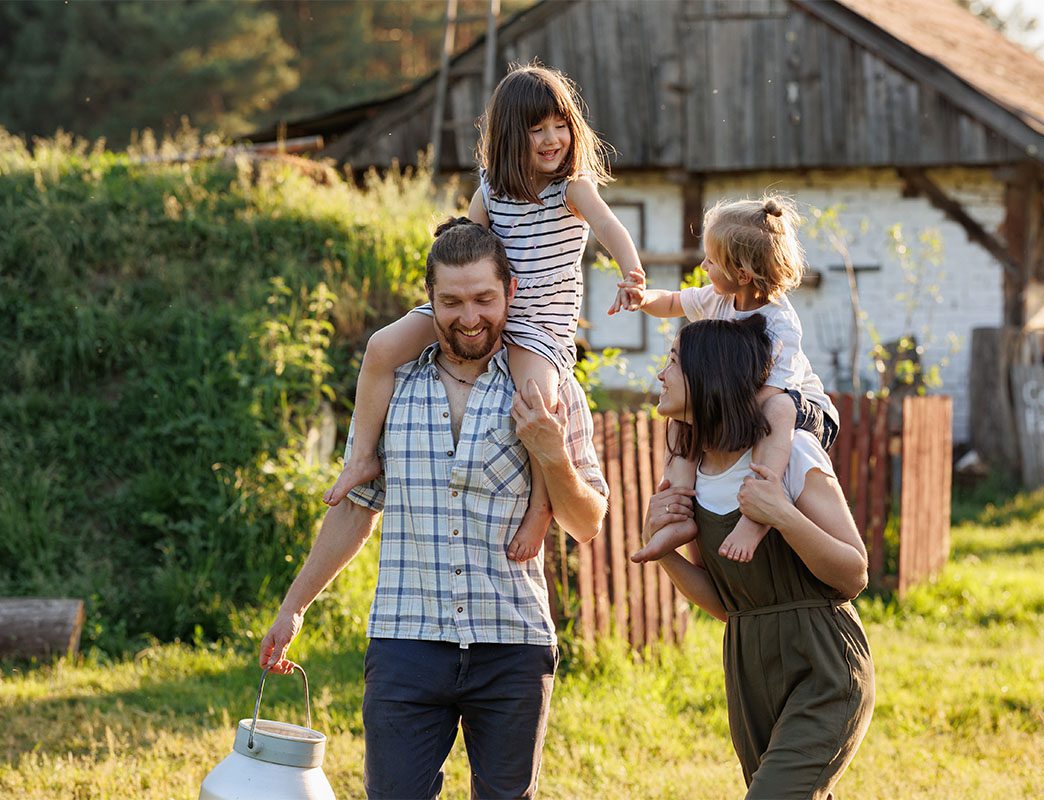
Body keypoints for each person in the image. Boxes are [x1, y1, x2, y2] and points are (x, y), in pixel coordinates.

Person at [261, 218, 609, 799]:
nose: (469, 317)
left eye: (483, 299)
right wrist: (294, 608)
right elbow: (356, 507)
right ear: (429, 300)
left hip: (512, 643)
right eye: (451, 301)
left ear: (511, 294)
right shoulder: (392, 382)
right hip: (406, 641)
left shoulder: (548, 388)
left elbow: (587, 522)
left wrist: (552, 455)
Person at [324, 63, 644, 567]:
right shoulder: (491, 189)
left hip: (537, 328)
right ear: (509, 137)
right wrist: (443, 288)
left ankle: (540, 506)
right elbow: (465, 244)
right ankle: (363, 455)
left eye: (559, 125)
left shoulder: (572, 188)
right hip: (483, 305)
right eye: (535, 129)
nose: (551, 138)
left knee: (536, 401)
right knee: (382, 347)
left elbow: (610, 226)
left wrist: (632, 274)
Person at [643, 317, 874, 800]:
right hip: (749, 669)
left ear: (709, 375)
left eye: (672, 362)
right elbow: (730, 604)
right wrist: (663, 554)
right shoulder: (695, 474)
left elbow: (854, 573)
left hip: (824, 666)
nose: (660, 374)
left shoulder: (791, 454)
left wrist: (783, 516)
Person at [626, 194, 838, 564]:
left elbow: (770, 395)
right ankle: (679, 507)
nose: (704, 265)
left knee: (779, 411)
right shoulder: (717, 299)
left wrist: (721, 420)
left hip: (804, 409)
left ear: (742, 274)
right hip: (746, 401)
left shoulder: (780, 324)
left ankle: (757, 514)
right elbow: (674, 303)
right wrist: (643, 298)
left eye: (711, 260)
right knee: (681, 417)